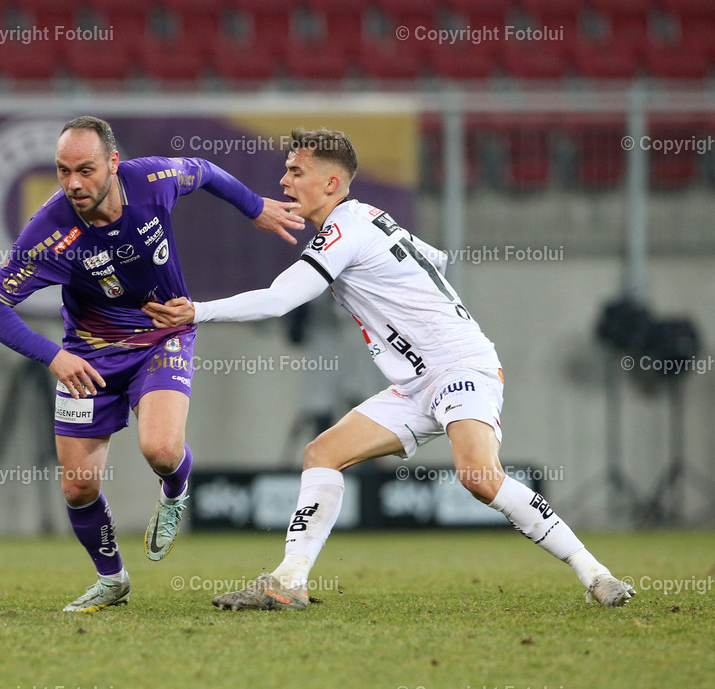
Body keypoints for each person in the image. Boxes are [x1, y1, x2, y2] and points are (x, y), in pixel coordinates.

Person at [143, 128, 635, 610]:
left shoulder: (343, 229)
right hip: (417, 381)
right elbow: (434, 260)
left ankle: (596, 574)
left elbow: (279, 300)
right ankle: (288, 580)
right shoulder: (366, 220)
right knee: (322, 453)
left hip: (459, 366)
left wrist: (196, 311)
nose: (285, 182)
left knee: (480, 477)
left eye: (296, 171)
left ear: (331, 183)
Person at [0, 115, 304, 612]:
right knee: (78, 485)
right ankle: (113, 581)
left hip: (162, 335)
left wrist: (255, 207)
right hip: (87, 355)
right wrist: (54, 356)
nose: (73, 183)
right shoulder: (48, 232)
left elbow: (206, 171)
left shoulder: (152, 180)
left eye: (85, 170)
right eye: (63, 171)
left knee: (162, 450)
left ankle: (176, 489)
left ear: (112, 162)